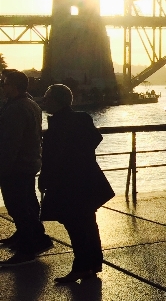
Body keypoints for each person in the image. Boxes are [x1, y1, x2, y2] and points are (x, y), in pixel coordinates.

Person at [38, 84, 115, 284]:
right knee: (88, 221)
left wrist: (44, 179)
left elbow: (52, 157)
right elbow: (95, 138)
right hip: (86, 179)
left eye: (47, 97)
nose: (44, 100)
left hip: (67, 183)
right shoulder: (82, 118)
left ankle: (81, 267)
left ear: (57, 100)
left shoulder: (59, 125)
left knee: (75, 225)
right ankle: (93, 264)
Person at [0, 70, 53, 267]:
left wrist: (3, 169)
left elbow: (10, 143)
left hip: (16, 166)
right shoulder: (30, 103)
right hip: (29, 163)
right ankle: (32, 237)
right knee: (28, 202)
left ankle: (28, 248)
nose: (2, 86)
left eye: (4, 83)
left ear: (14, 86)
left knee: (17, 206)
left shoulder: (15, 109)